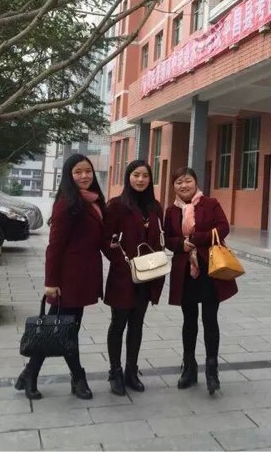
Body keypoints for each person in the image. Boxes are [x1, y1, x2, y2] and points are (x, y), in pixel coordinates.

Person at [15, 154, 105, 401]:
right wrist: (51, 282)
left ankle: (30, 373)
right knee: (66, 331)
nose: (84, 176)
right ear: (68, 175)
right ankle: (77, 378)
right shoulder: (66, 203)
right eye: (78, 172)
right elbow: (54, 246)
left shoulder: (93, 200)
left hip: (83, 276)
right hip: (68, 279)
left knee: (59, 329)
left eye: (88, 171)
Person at [164, 167, 237, 395]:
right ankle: (189, 367)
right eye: (179, 182)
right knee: (189, 321)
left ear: (195, 182)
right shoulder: (171, 211)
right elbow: (168, 239)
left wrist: (197, 238)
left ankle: (212, 370)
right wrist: (180, 244)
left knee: (210, 319)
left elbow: (223, 227)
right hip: (184, 272)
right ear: (174, 186)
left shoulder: (210, 203)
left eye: (187, 181)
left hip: (209, 270)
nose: (183, 185)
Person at [103, 160, 165, 396]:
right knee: (118, 323)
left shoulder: (155, 207)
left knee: (137, 324)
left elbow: (160, 237)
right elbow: (105, 240)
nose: (140, 179)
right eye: (136, 175)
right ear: (128, 177)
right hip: (123, 276)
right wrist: (122, 263)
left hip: (148, 276)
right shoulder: (116, 205)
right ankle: (115, 371)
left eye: (145, 176)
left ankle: (131, 371)